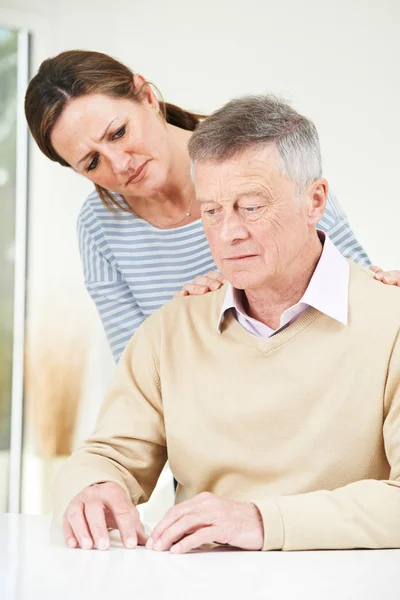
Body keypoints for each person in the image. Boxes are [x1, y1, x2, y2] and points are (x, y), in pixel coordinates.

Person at [52, 94, 400, 554]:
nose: (228, 233)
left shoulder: (389, 322)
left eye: (251, 206)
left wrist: (261, 521)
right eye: (212, 211)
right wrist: (92, 487)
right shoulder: (168, 331)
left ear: (315, 201)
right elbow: (106, 455)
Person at [24, 50, 400, 363]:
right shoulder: (99, 227)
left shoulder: (253, 155)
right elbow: (137, 367)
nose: (120, 163)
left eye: (119, 133)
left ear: (147, 96)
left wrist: (383, 294)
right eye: (92, 163)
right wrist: (181, 320)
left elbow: (354, 291)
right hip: (209, 415)